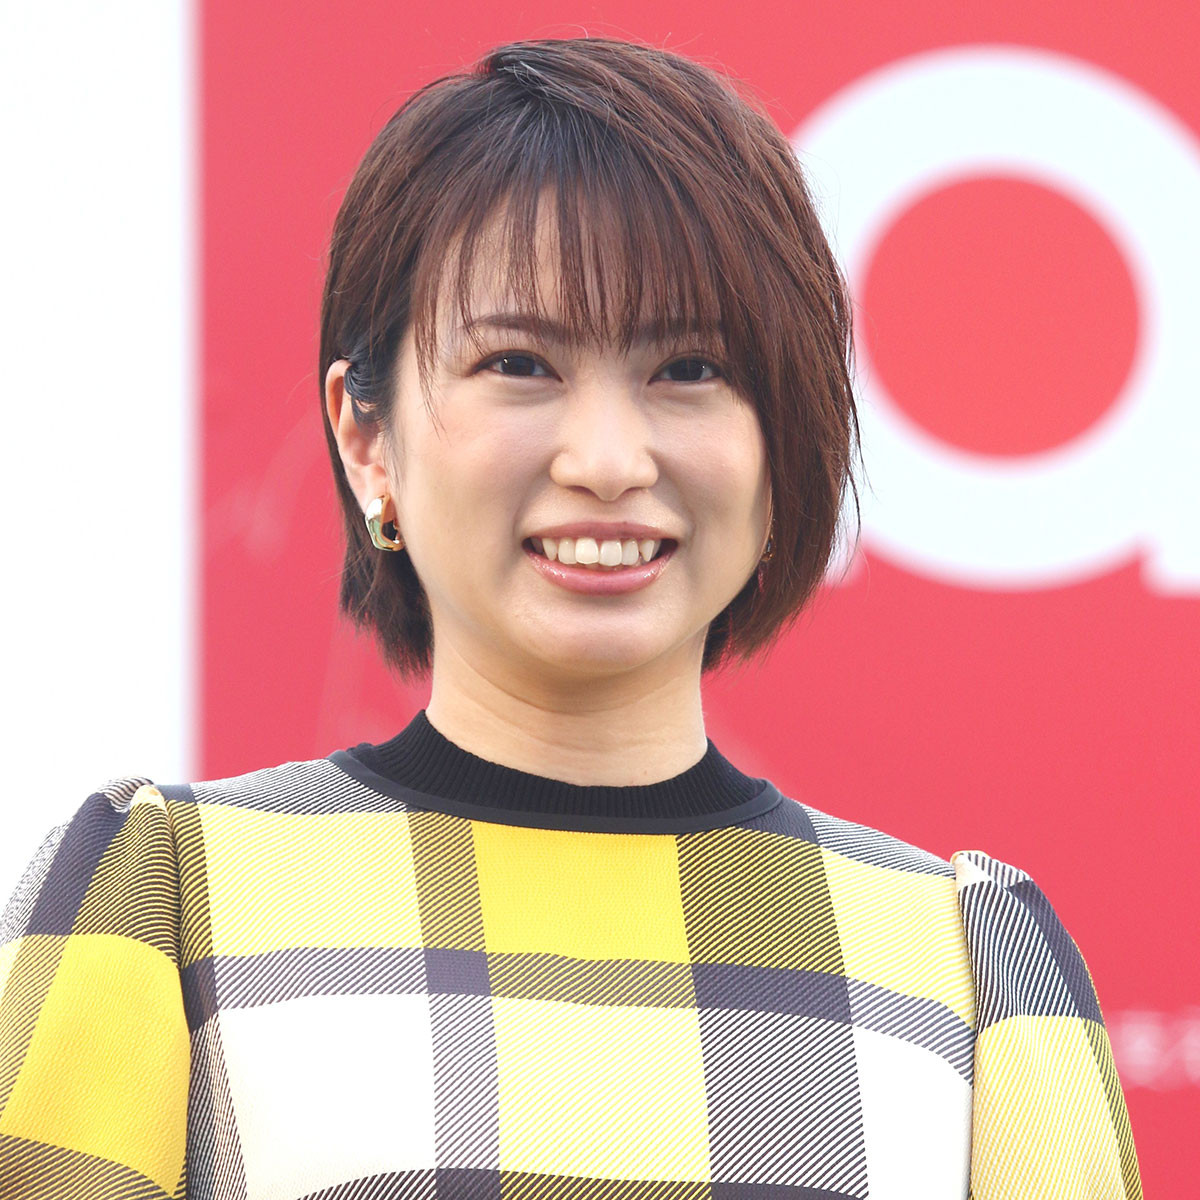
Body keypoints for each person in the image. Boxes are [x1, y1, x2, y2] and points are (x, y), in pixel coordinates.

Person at [0, 36, 1141, 1200]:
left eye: (689, 368)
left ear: (784, 441)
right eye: (520, 363)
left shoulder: (972, 972)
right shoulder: (165, 902)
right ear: (367, 438)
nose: (606, 460)